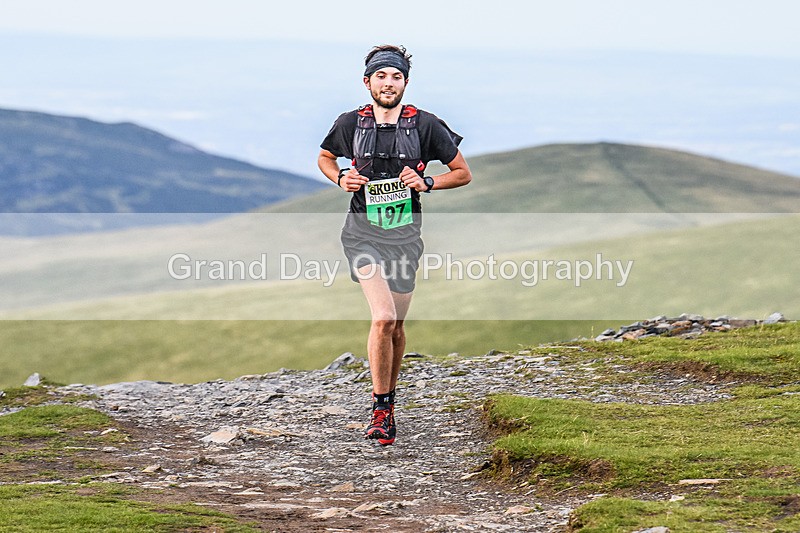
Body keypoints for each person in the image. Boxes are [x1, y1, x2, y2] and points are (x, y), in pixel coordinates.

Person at [318, 44, 471, 445]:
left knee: (398, 327)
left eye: (397, 77)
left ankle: (389, 397)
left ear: (405, 82)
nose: (389, 83)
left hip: (404, 238)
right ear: (367, 82)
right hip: (361, 233)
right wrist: (340, 177)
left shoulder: (426, 125)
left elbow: (462, 172)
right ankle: (381, 410)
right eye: (381, 76)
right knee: (384, 318)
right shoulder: (350, 123)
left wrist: (428, 182)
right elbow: (325, 156)